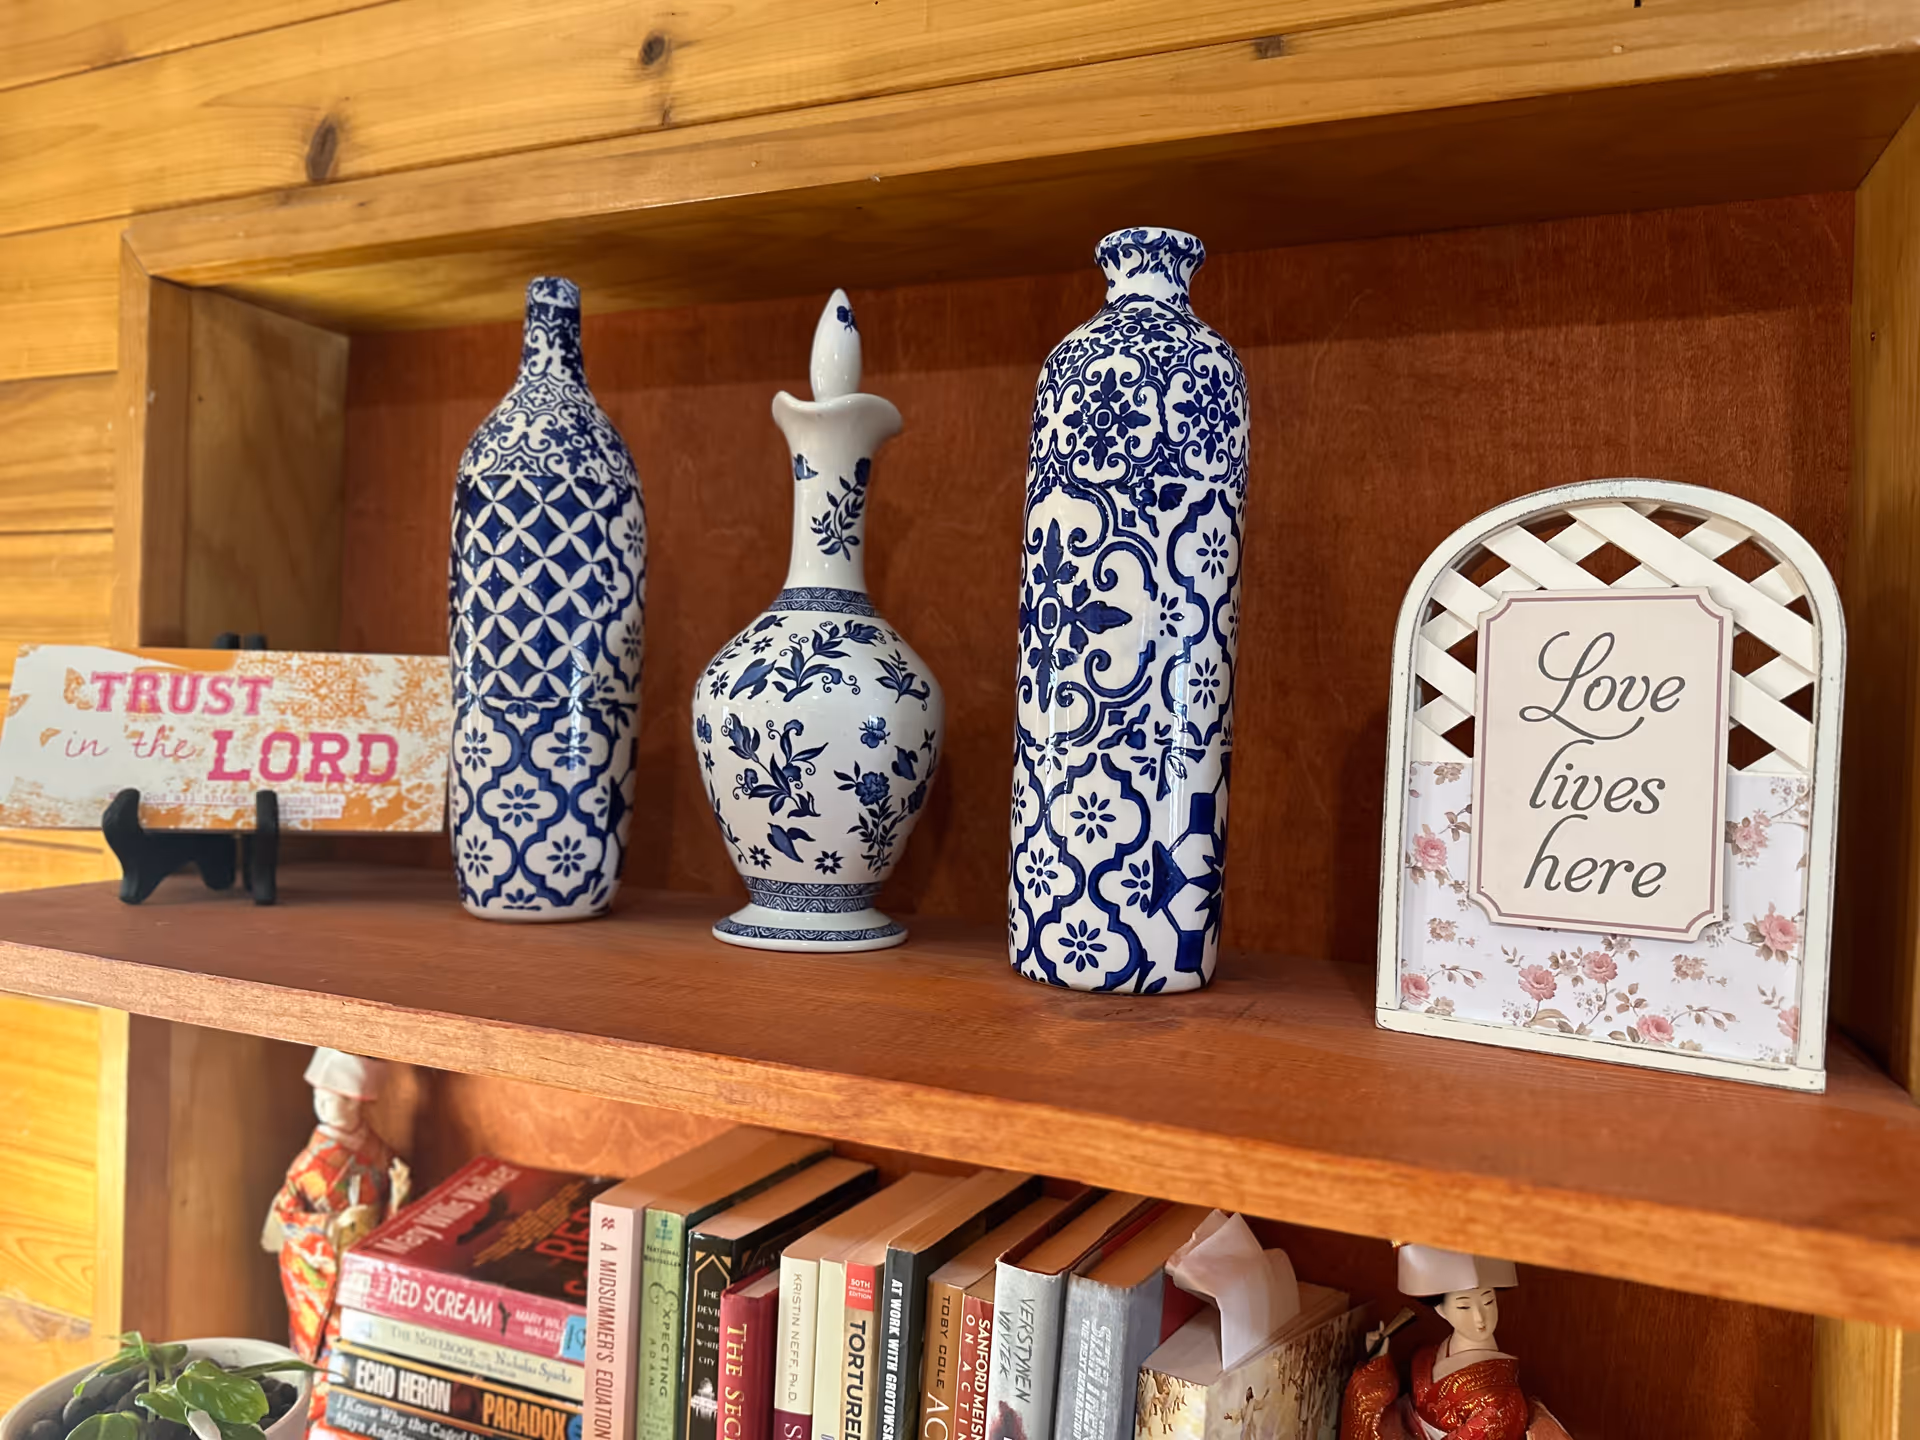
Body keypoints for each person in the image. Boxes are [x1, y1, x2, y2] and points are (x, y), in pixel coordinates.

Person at [261, 1048, 410, 1384]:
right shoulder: (310, 1163)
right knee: (330, 1343)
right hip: (321, 1267)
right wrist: (333, 1226)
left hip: (364, 1260)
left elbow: (384, 1209)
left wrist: (397, 1199)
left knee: (365, 1337)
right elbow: (285, 1216)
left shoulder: (377, 1150)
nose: (323, 1107)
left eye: (335, 1100)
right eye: (319, 1098)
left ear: (357, 1103)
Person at [1339, 1246, 1538, 1440]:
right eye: (1464, 1306)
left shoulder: (1500, 1401)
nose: (1480, 1317)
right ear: (1441, 1310)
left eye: (1488, 1302)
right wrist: (1377, 1359)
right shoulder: (1434, 1351)